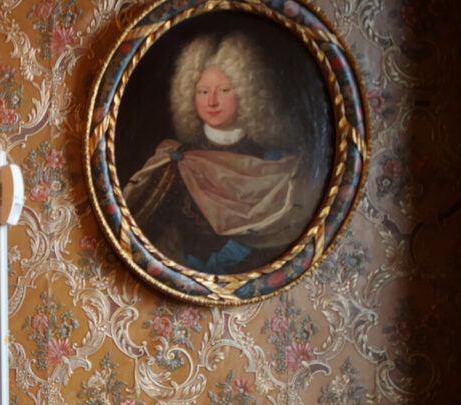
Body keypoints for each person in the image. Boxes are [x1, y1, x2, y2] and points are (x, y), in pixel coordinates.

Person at [123, 32, 317, 275]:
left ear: (246, 93)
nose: (212, 102)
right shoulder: (174, 162)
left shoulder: (277, 165)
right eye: (203, 91)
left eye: (224, 90)